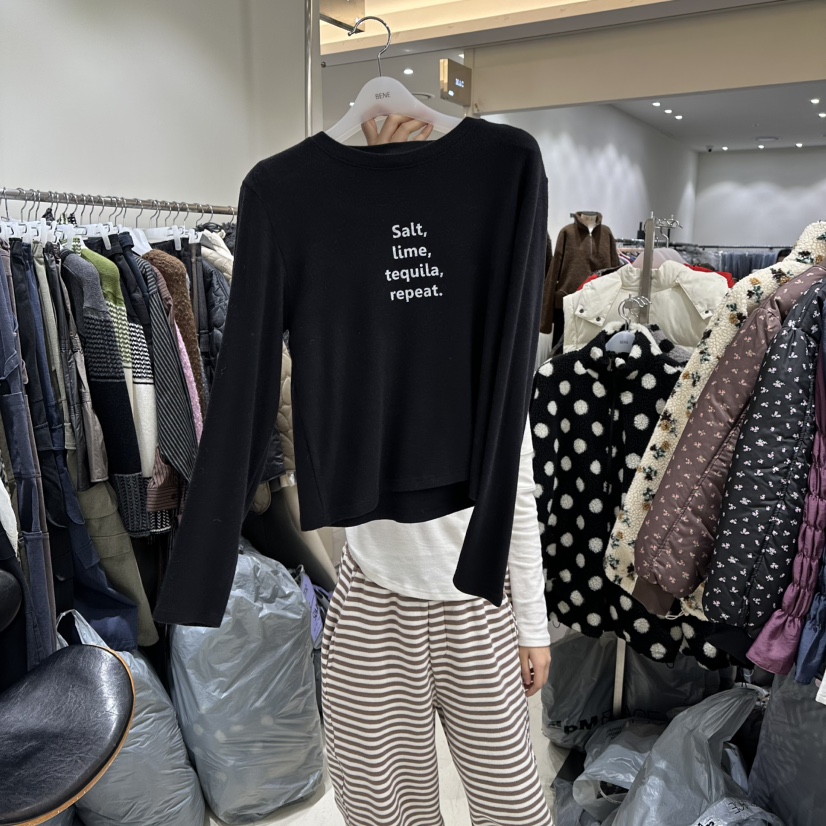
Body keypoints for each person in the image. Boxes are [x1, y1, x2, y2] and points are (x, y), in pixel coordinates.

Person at [320, 115, 553, 826]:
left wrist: (534, 624)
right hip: (371, 599)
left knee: (513, 802)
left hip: (476, 602)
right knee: (383, 805)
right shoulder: (354, 323)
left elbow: (518, 493)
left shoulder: (487, 342)